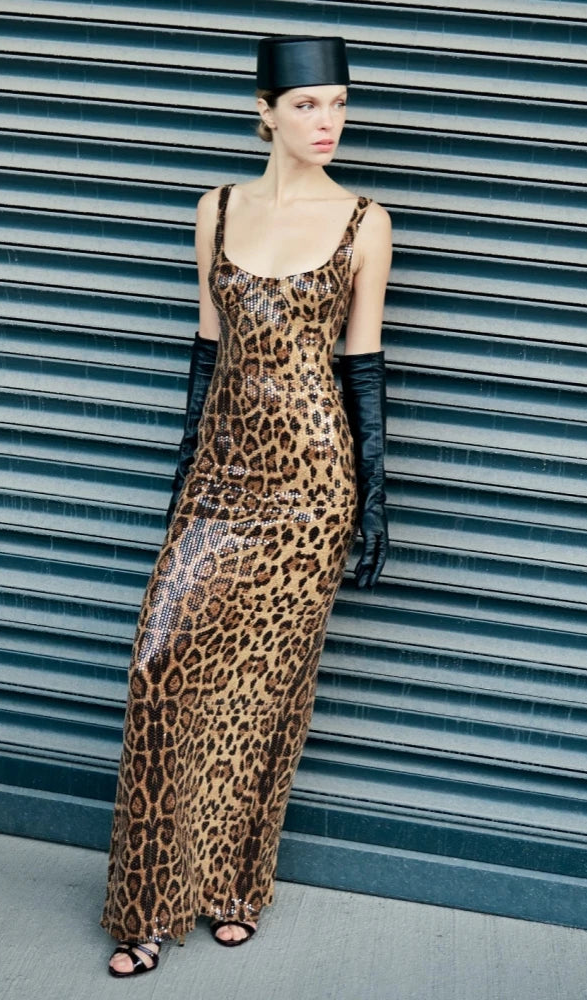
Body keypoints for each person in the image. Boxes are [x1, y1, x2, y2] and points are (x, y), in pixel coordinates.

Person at [101, 33, 392, 978]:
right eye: (307, 104)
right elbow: (206, 348)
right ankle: (148, 901)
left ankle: (234, 886)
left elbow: (364, 367)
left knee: (268, 690)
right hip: (222, 478)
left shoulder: (365, 222)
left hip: (314, 486)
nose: (328, 122)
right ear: (264, 111)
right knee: (160, 666)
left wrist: (373, 499)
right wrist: (186, 473)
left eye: (339, 103)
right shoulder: (216, 209)